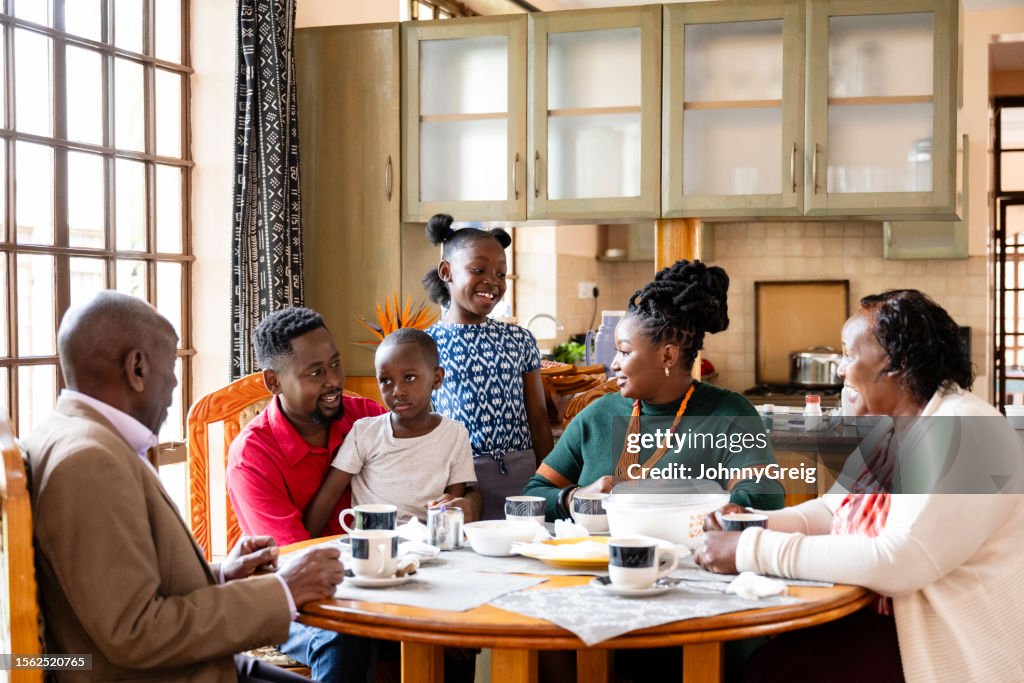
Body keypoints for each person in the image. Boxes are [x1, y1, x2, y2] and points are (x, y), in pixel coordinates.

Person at [698, 289, 1024, 683]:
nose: (839, 369)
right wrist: (756, 522)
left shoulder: (963, 430)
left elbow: (899, 560)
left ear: (898, 364)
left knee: (771, 671)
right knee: (764, 662)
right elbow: (832, 510)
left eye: (848, 354)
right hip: (888, 624)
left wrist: (750, 549)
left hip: (945, 650)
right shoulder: (892, 429)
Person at [25, 291, 344, 682]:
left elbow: (120, 589)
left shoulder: (71, 436)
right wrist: (282, 591)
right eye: (171, 364)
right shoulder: (89, 462)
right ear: (137, 368)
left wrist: (222, 574)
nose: (175, 383)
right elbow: (135, 632)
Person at [523, 259, 785, 520]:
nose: (614, 364)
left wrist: (703, 507)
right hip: (598, 558)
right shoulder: (597, 416)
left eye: (625, 352)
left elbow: (765, 493)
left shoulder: (729, 414)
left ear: (668, 356)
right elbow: (533, 496)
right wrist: (575, 497)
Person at [227, 307, 386, 681]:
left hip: (377, 583)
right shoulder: (252, 456)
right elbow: (297, 565)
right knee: (344, 635)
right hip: (294, 600)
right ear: (274, 382)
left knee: (448, 634)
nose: (333, 381)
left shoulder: (366, 418)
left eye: (335, 364)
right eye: (316, 373)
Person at [422, 213, 554, 520]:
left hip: (522, 476)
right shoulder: (425, 345)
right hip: (458, 481)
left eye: (500, 274)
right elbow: (423, 425)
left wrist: (548, 483)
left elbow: (537, 418)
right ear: (447, 271)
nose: (492, 282)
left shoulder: (520, 339)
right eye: (478, 270)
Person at [303, 328, 480, 535]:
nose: (397, 391)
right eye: (386, 381)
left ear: (436, 378)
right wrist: (302, 546)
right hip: (371, 543)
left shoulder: (455, 435)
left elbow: (451, 504)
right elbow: (328, 496)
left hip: (427, 546)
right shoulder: (365, 432)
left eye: (409, 378)